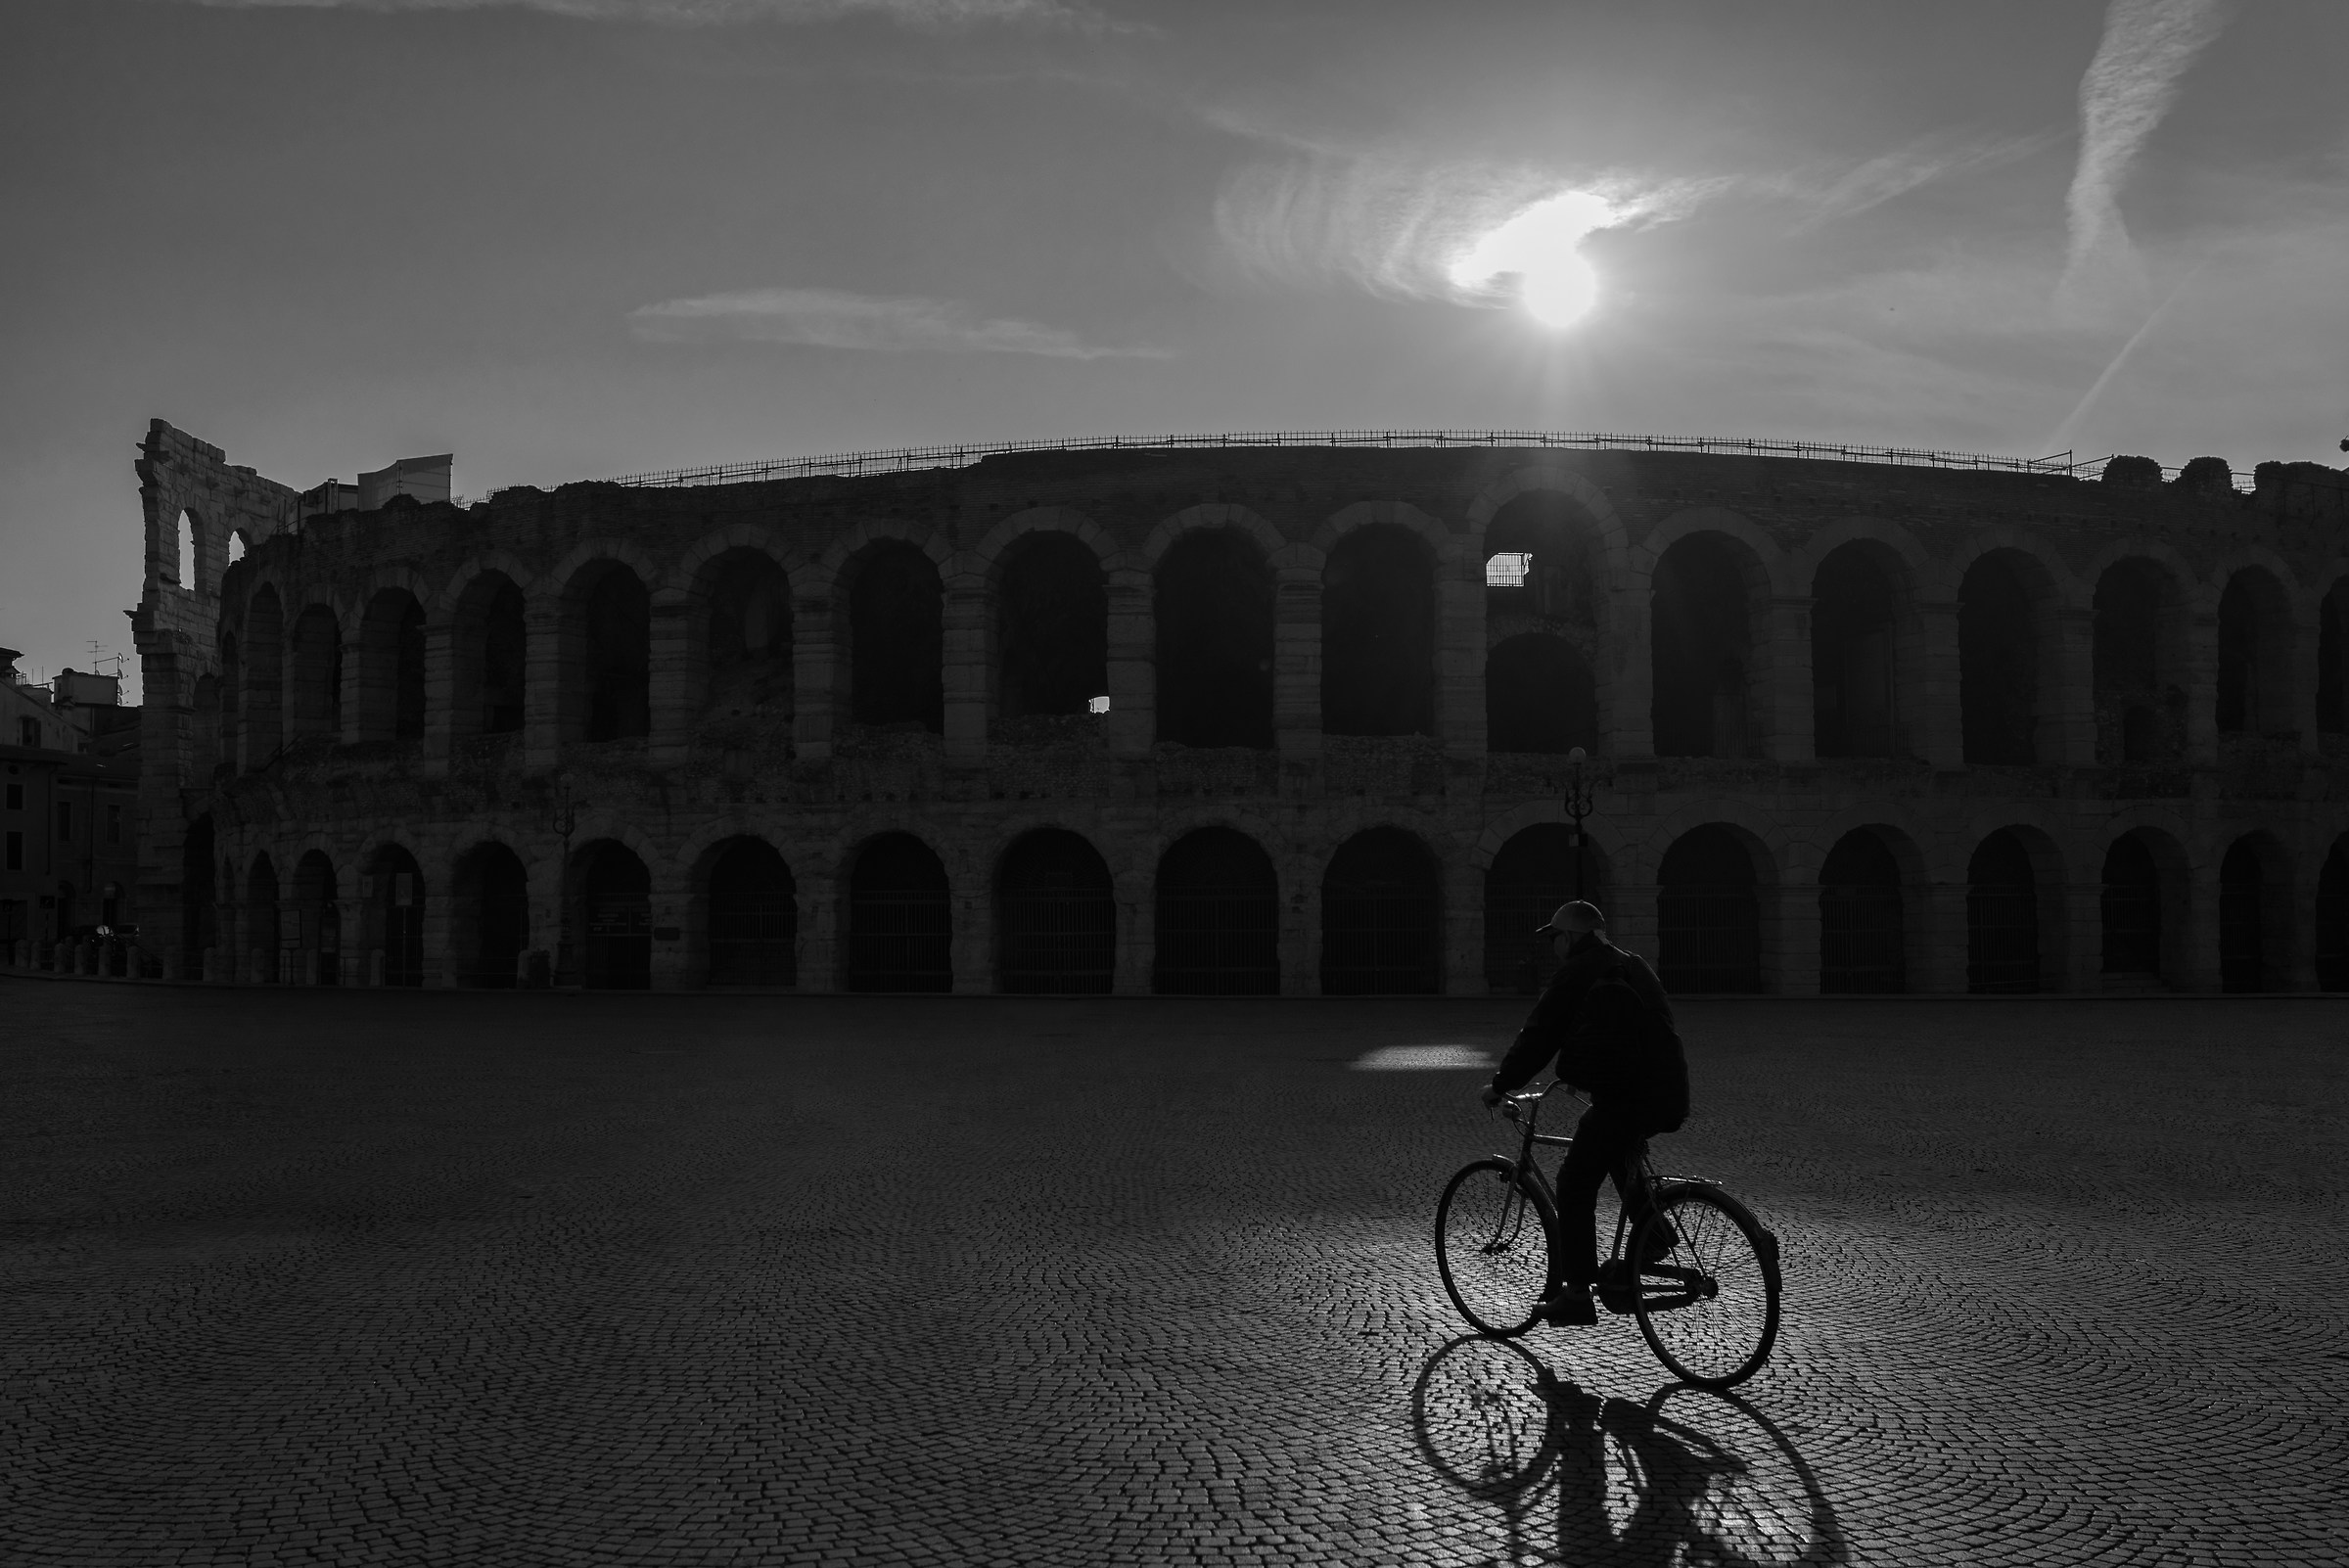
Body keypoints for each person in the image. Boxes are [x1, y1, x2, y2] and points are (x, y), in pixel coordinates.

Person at [1479, 899, 1689, 1326]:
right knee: (1616, 1151)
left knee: (1574, 1182)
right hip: (1669, 1092)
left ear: (1571, 937)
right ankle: (1653, 1236)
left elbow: (1541, 1034)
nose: (1553, 946)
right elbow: (1636, 1030)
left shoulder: (1578, 971)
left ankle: (1576, 1294)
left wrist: (1501, 1085)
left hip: (1627, 1097)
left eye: (1555, 937)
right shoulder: (1634, 964)